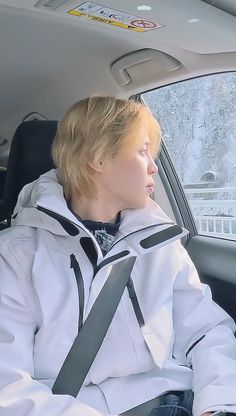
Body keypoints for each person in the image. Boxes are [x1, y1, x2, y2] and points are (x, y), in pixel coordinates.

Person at [0, 96, 236, 416]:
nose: (153, 166)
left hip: (176, 400)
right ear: (98, 158)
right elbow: (7, 384)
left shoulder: (160, 243)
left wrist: (217, 405)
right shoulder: (16, 255)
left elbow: (207, 332)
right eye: (142, 151)